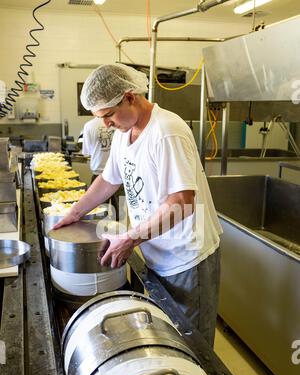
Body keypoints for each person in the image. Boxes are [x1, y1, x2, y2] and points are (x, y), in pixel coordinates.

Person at [54, 63, 223, 347]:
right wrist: (74, 212)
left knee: (193, 343)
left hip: (186, 256)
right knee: (169, 335)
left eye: (108, 115)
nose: (105, 124)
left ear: (130, 97)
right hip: (157, 250)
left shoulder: (166, 131)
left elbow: (182, 201)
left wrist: (130, 238)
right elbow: (109, 181)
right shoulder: (124, 134)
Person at [81, 116, 114, 183]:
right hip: (117, 172)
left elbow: (87, 152)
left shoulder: (89, 125)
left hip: (98, 172)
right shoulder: (118, 123)